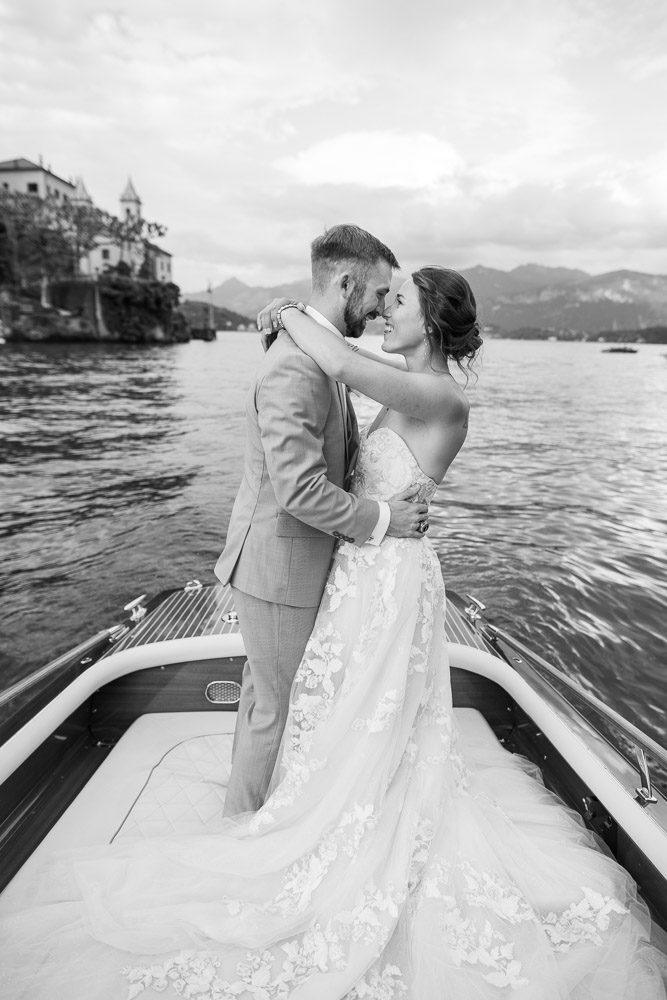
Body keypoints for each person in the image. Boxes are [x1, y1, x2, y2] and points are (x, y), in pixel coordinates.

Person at [2, 267, 666, 1000]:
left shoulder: (440, 394)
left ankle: (351, 829)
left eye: (400, 301)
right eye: (384, 297)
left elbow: (342, 362)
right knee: (346, 708)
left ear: (435, 324)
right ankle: (332, 807)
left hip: (390, 578)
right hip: (363, 572)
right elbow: (351, 376)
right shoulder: (403, 376)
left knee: (370, 711)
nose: (385, 309)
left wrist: (288, 310)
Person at [214, 224, 428, 817]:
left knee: (263, 699)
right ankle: (245, 831)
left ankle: (243, 811)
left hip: (286, 564)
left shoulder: (314, 352)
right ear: (346, 281)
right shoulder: (296, 367)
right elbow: (300, 493)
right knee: (273, 710)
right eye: (380, 293)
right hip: (279, 568)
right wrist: (387, 517)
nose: (383, 306)